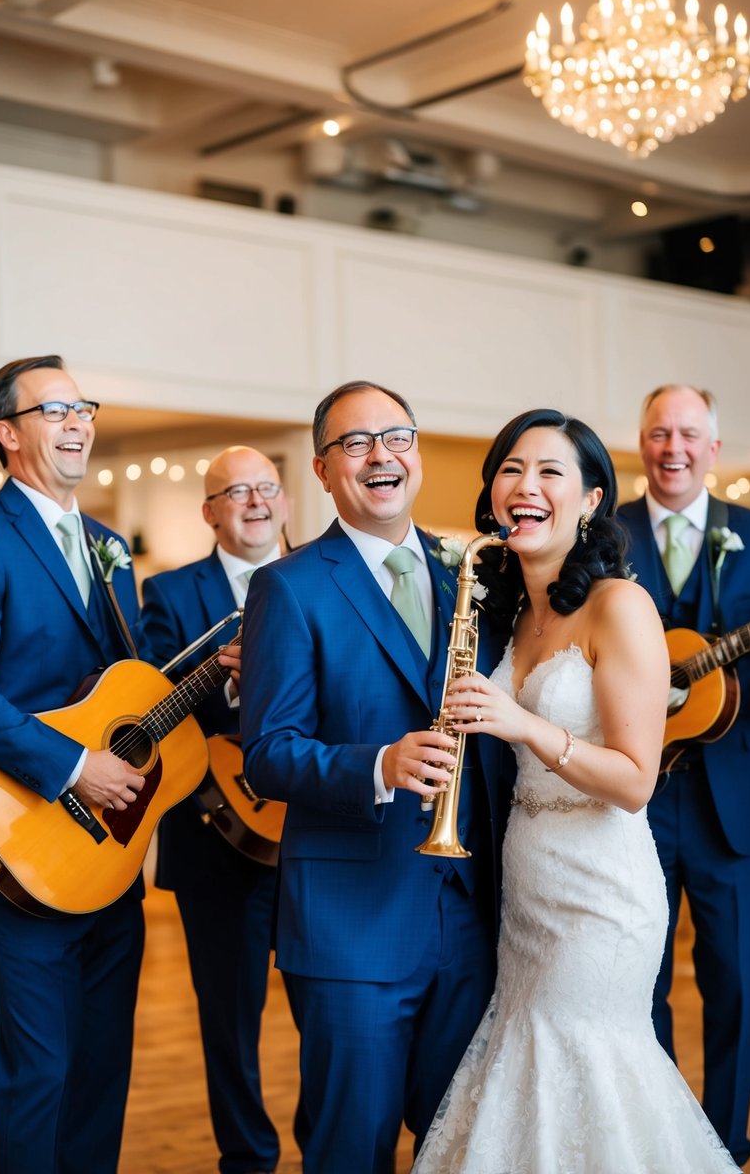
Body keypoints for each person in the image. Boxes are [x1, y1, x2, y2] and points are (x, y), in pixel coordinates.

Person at [412, 407, 740, 1173]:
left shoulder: (619, 605)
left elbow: (632, 781)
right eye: (510, 470)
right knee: (526, 1073)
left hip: (601, 895)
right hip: (527, 881)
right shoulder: (511, 611)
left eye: (549, 472)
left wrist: (521, 726)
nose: (524, 487)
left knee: (582, 1068)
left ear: (592, 500)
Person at [239, 380, 512, 1174]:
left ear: (417, 453)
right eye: (355, 443)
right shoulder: (286, 587)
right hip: (350, 929)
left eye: (396, 437)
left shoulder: (473, 574)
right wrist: (379, 767)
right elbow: (267, 753)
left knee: (457, 1143)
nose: (380, 455)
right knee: (349, 1149)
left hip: (470, 919)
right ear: (322, 471)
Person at [0, 355, 148, 1174]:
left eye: (81, 406)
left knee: (100, 1072)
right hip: (17, 842)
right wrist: (70, 765)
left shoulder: (108, 545)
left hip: (107, 855)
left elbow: (131, 683)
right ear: (9, 434)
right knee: (40, 1071)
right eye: (53, 410)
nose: (77, 421)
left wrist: (214, 671)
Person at [141, 445, 303, 1174]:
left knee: (329, 1013)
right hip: (215, 836)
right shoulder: (171, 595)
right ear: (209, 511)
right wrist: (219, 677)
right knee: (229, 1022)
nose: (256, 502)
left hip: (311, 831)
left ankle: (331, 1147)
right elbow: (148, 709)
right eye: (237, 491)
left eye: (267, 488)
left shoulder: (321, 576)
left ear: (286, 501)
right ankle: (247, 1158)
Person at [618, 384, 750, 1167]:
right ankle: (665, 1141)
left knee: (737, 984)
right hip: (628, 799)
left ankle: (729, 1141)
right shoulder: (606, 535)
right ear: (642, 444)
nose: (672, 447)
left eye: (687, 434)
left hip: (729, 800)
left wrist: (712, 694)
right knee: (642, 980)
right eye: (658, 433)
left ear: (713, 447)